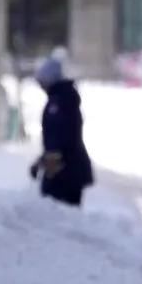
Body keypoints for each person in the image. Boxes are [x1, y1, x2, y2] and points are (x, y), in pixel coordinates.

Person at [30, 49, 94, 206]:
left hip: (64, 174)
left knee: (59, 221)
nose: (40, 86)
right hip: (71, 170)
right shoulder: (65, 99)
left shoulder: (58, 104)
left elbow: (58, 139)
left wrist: (45, 162)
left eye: (41, 82)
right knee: (66, 220)